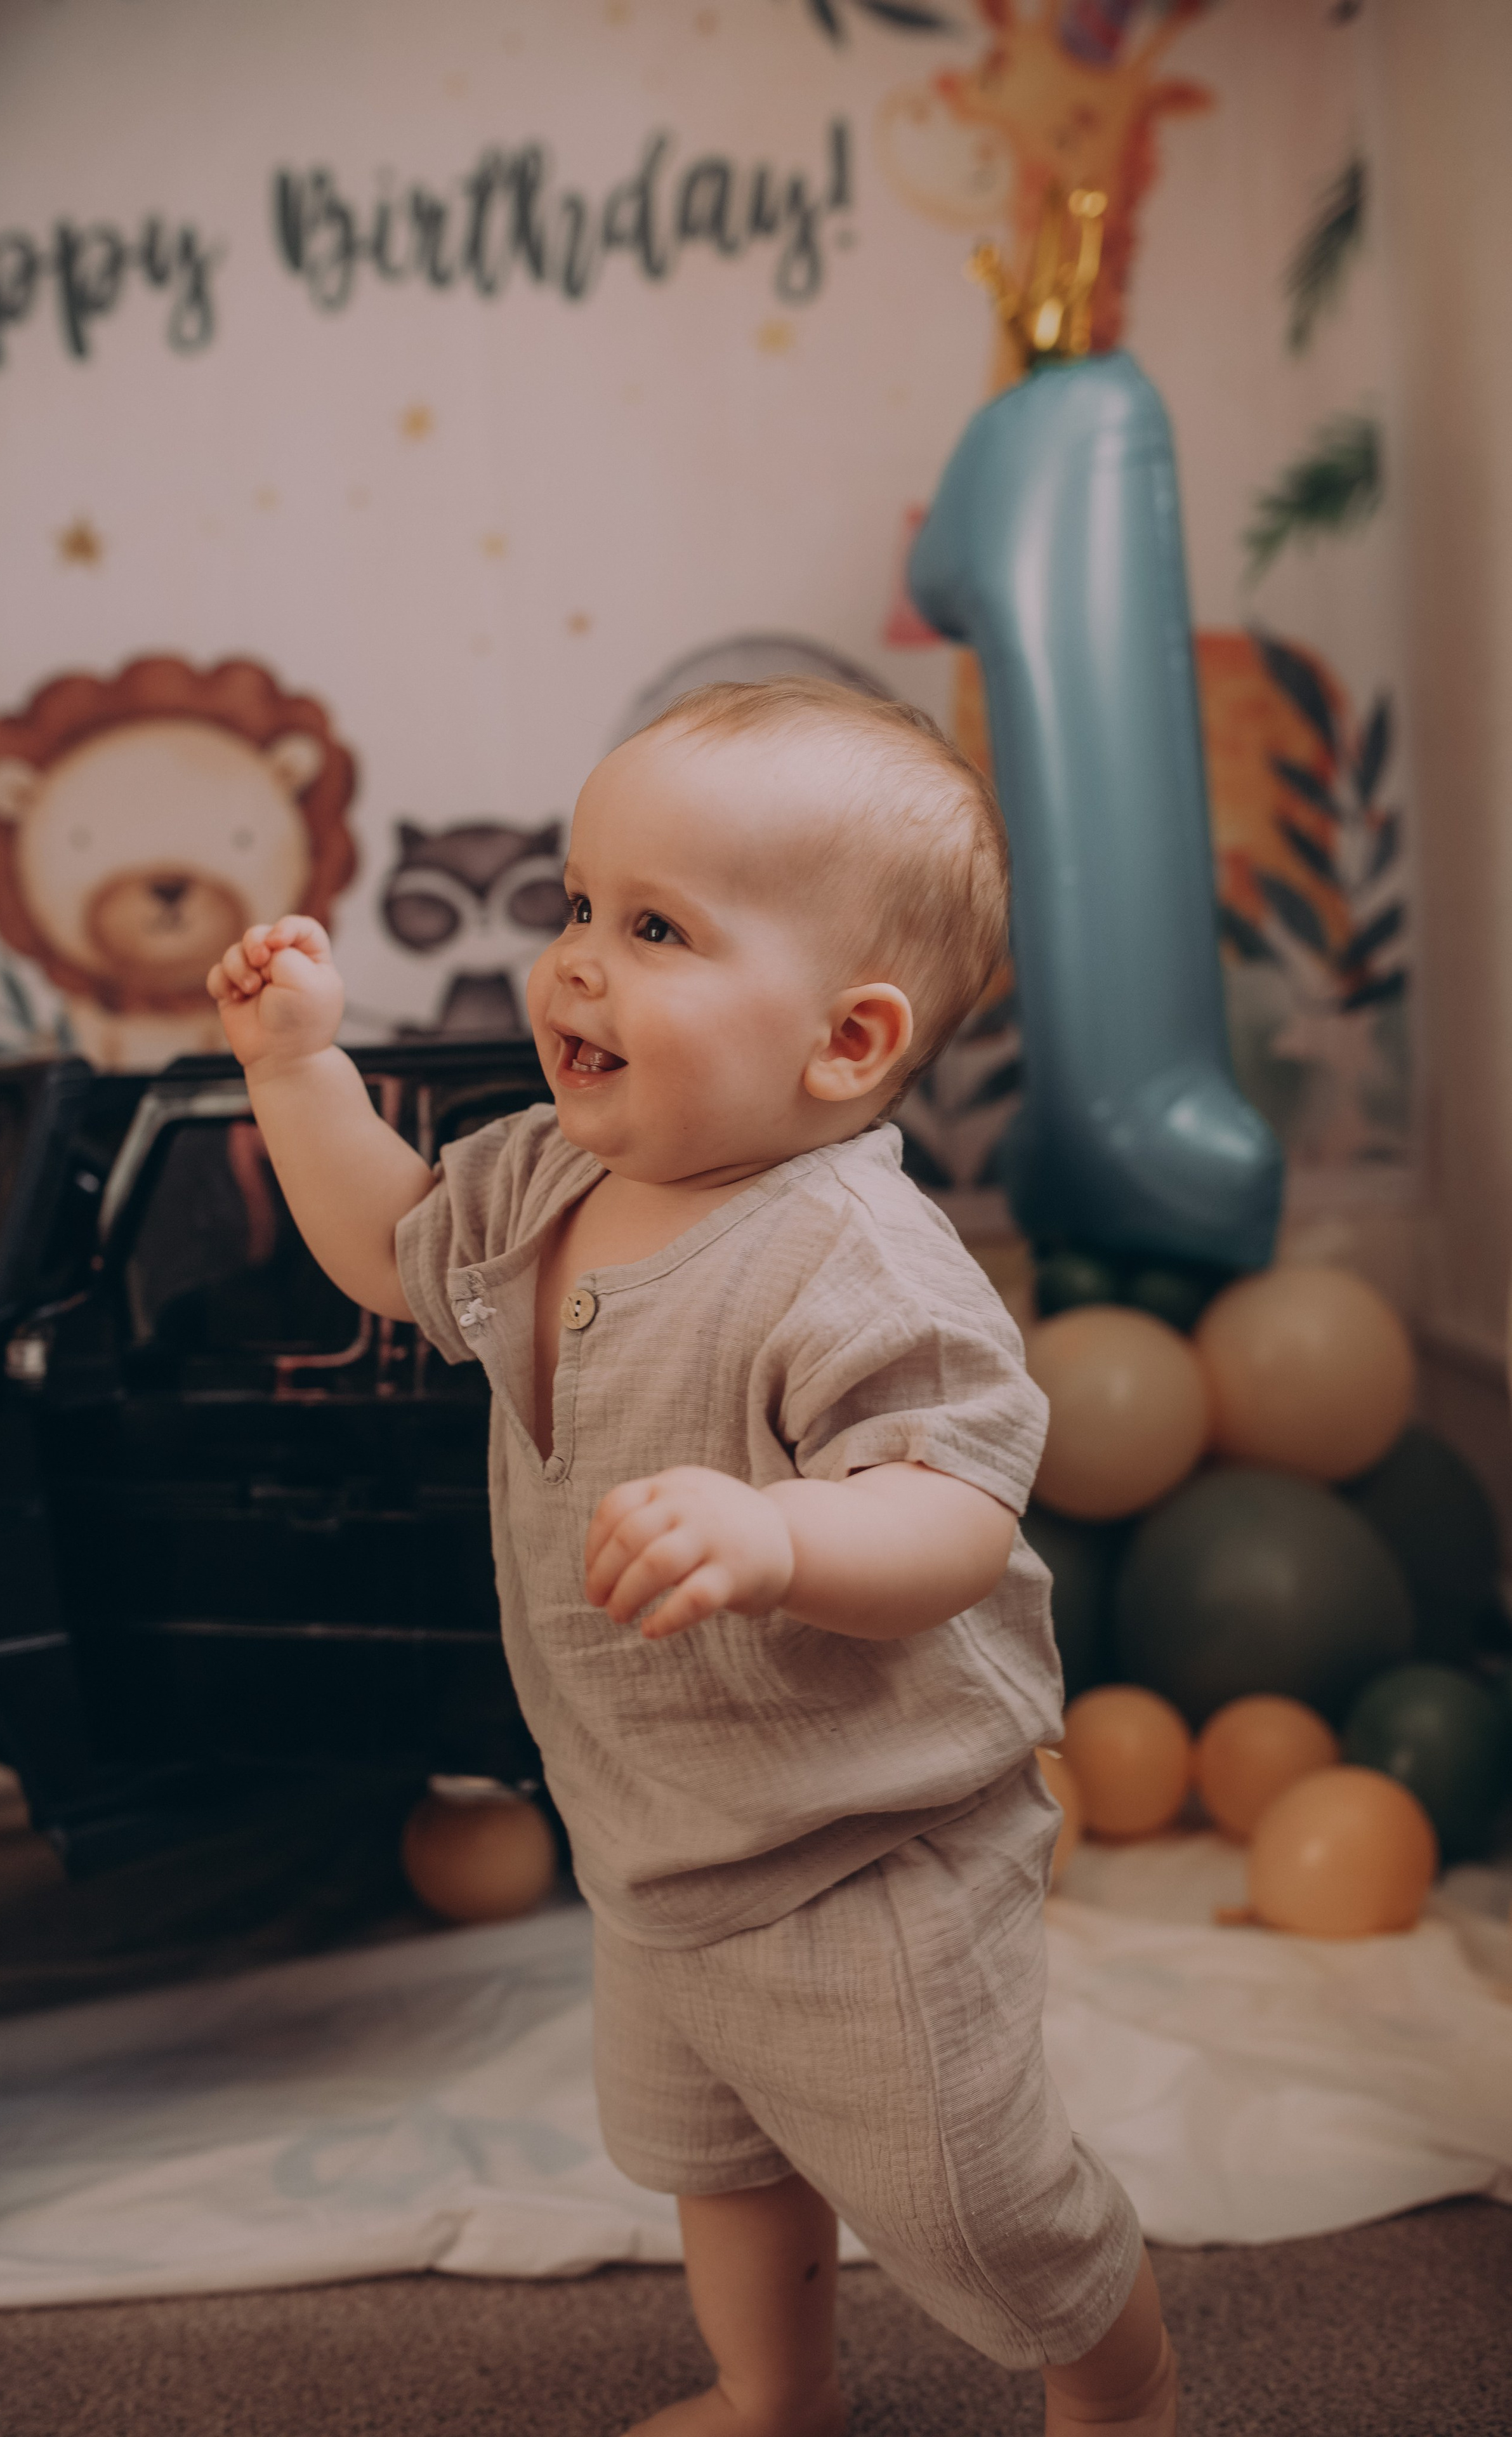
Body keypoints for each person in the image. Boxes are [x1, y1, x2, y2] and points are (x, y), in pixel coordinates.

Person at [207, 677, 1178, 2437]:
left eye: (655, 928)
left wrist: (779, 1531)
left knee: (968, 2194)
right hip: (659, 1828)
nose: (577, 960)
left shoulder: (854, 1261)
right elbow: (386, 1249)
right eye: (580, 904)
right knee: (714, 2155)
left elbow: (957, 1512)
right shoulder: (538, 1180)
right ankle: (770, 2389)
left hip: (864, 1847)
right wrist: (295, 1069)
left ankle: (1119, 2379)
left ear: (847, 1042)